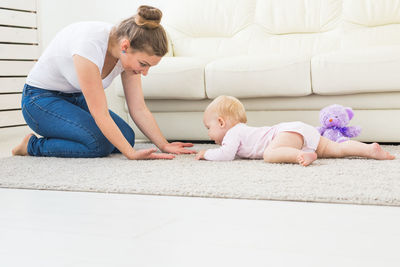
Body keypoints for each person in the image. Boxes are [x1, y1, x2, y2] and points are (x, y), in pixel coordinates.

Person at [12, 5, 195, 160]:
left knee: (126, 136)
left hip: (74, 99)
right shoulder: (89, 45)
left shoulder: (127, 53)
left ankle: (68, 134)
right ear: (125, 47)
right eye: (143, 64)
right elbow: (100, 114)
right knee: (97, 144)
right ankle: (31, 145)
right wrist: (131, 154)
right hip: (39, 101)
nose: (144, 73)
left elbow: (138, 107)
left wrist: (163, 144)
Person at [195, 95, 395, 166]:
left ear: (221, 122)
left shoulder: (233, 133)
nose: (208, 134)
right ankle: (368, 150)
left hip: (286, 134)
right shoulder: (242, 130)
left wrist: (206, 154)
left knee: (269, 153)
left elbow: (226, 155)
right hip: (298, 130)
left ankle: (301, 154)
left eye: (208, 128)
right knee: (336, 149)